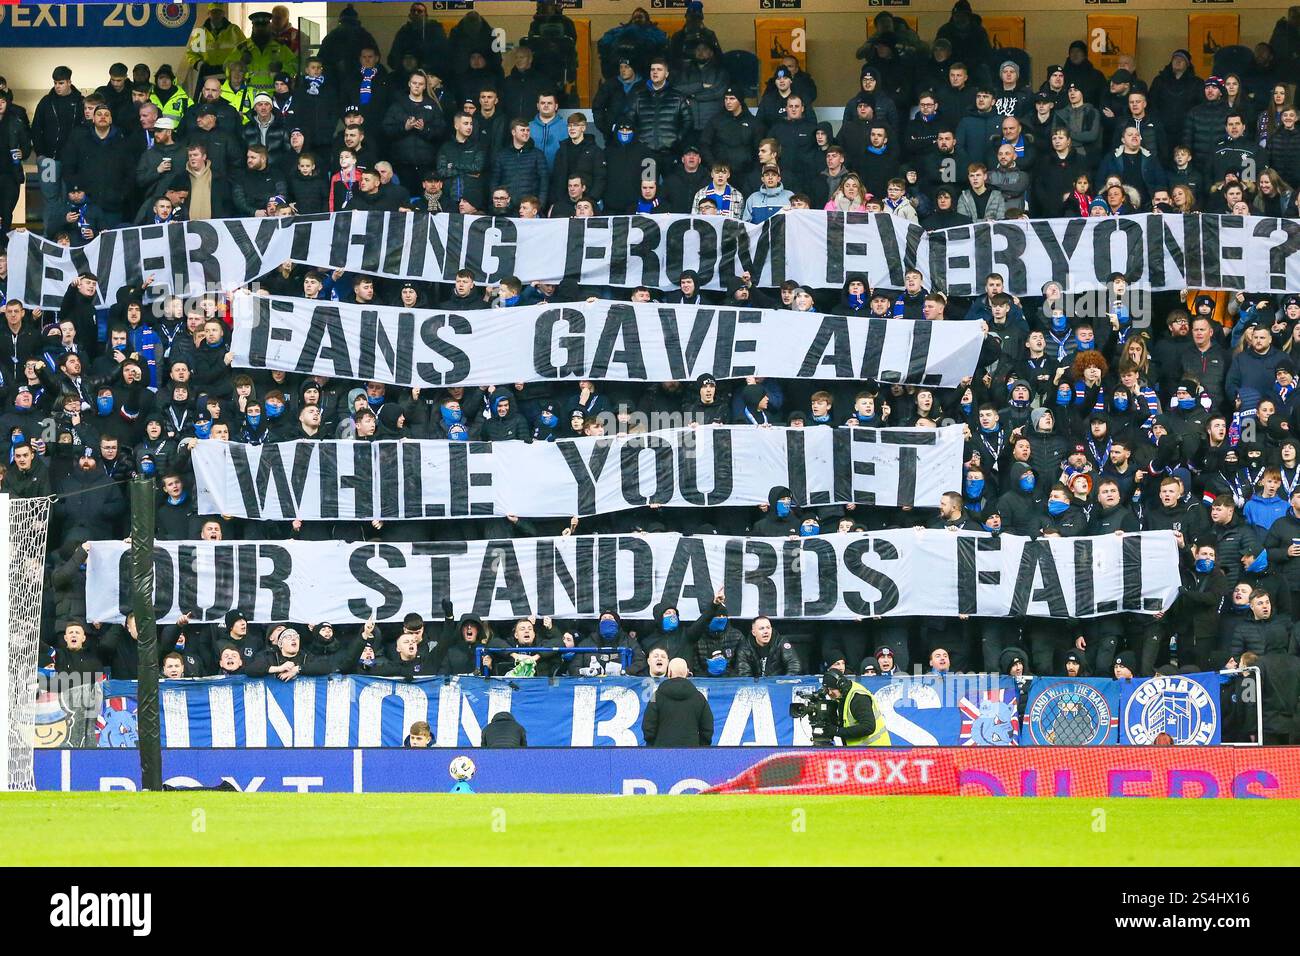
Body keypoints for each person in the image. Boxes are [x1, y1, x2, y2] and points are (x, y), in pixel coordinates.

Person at [641, 657, 713, 747]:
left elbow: (648, 727)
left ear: (669, 672)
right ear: (687, 673)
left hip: (661, 753)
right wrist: (699, 747)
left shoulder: (656, 695)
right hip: (691, 753)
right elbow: (707, 729)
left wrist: (654, 745)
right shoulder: (699, 698)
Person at [821, 668, 891, 747]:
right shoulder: (843, 695)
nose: (830, 693)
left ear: (841, 685)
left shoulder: (858, 698)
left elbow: (868, 727)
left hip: (876, 751)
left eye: (832, 689)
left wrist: (837, 731)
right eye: (827, 689)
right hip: (859, 752)